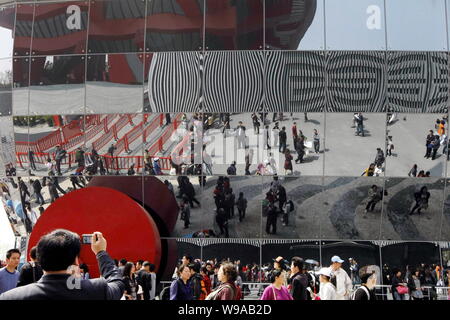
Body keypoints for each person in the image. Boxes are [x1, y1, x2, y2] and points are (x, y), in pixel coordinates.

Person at [0, 230, 125, 300]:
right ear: (76, 261)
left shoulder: (9, 297)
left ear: (39, 260)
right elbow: (117, 284)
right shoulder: (96, 289)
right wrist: (101, 252)